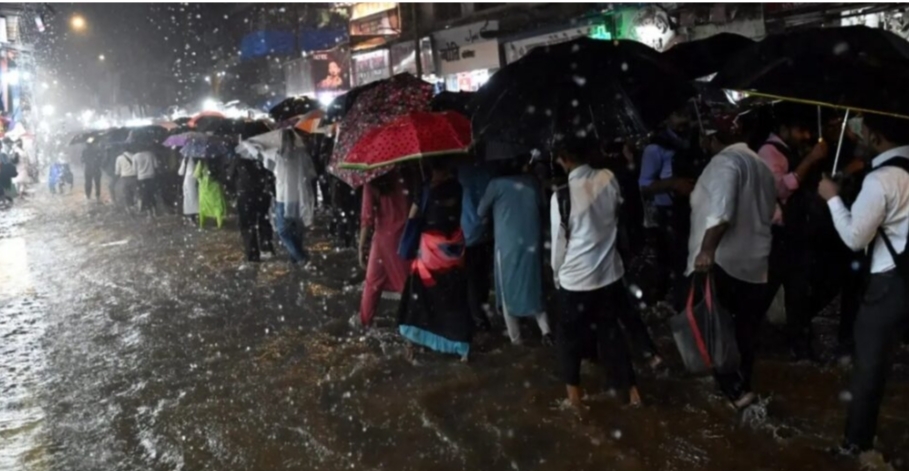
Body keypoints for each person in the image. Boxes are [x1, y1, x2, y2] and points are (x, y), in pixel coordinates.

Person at [818, 114, 909, 455]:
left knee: (869, 370)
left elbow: (856, 237)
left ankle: (855, 447)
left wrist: (832, 198)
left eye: (865, 130)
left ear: (875, 135)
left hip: (890, 286)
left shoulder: (882, 178)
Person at [688, 113, 776, 410]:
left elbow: (722, 211)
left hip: (724, 261)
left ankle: (734, 391)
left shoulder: (725, 163)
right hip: (755, 263)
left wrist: (706, 249)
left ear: (713, 138)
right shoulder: (761, 166)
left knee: (711, 326)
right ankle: (743, 388)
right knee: (745, 332)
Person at [551, 136, 640, 409]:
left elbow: (558, 245)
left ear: (564, 159)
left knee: (568, 339)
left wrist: (556, 275)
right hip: (609, 275)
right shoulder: (608, 178)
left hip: (576, 281)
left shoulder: (561, 196)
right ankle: (633, 394)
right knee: (611, 333)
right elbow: (616, 217)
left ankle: (575, 401)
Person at [757, 103, 834, 361]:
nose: (806, 135)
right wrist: (809, 160)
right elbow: (780, 189)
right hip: (777, 236)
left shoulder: (793, 150)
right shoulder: (769, 152)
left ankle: (799, 346)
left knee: (798, 292)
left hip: (797, 234)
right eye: (800, 130)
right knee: (766, 290)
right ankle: (746, 337)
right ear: (784, 129)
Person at [397, 161, 472, 361]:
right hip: (455, 250)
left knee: (420, 294)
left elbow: (414, 217)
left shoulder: (426, 189)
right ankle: (460, 344)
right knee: (453, 296)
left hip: (430, 252)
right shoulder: (457, 187)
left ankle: (416, 339)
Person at [478, 162, 552, 345]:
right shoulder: (532, 182)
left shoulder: (496, 184)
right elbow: (543, 206)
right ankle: (546, 331)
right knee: (533, 286)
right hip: (532, 242)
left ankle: (516, 339)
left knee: (507, 292)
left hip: (507, 246)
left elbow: (480, 211)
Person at [638, 110, 697, 306]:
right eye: (679, 115)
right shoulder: (655, 148)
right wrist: (673, 183)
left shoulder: (692, 140)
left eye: (686, 114)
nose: (684, 120)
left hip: (694, 207)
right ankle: (679, 304)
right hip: (671, 213)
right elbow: (644, 186)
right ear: (667, 119)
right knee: (678, 261)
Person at [355, 172, 411, 328]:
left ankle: (365, 323)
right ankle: (413, 328)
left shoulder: (372, 179)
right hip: (404, 238)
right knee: (406, 287)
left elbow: (367, 218)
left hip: (381, 241)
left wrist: (361, 247)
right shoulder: (408, 174)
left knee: (372, 285)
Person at [458, 160, 494, 332]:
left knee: (471, 279)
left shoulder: (461, 171)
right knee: (482, 277)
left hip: (467, 233)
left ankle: (478, 318)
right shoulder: (487, 170)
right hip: (486, 231)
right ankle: (482, 312)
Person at [273, 129, 315, 264]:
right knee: (296, 230)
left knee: (283, 231)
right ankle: (295, 259)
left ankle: (300, 257)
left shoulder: (278, 155)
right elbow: (311, 172)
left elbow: (274, 171)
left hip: (282, 198)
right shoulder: (301, 154)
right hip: (297, 197)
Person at [229, 155, 275, 262]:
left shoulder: (239, 158)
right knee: (264, 220)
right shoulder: (263, 156)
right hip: (262, 194)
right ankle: (266, 247)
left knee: (247, 225)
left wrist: (234, 192)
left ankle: (253, 253)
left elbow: (230, 177)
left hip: (245, 195)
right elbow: (271, 174)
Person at [193, 158, 227, 229]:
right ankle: (219, 224)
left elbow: (196, 175)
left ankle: (202, 224)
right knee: (217, 205)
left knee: (203, 206)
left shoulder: (202, 162)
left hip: (204, 186)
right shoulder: (218, 160)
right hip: (215, 186)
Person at [133, 147, 158, 216]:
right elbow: (156, 166)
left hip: (141, 178)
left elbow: (134, 170)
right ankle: (155, 211)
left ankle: (149, 212)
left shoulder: (135, 156)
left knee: (145, 195)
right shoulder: (151, 154)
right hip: (151, 177)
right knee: (152, 194)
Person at [178, 156, 199, 223]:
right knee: (195, 199)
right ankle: (196, 216)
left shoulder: (186, 159)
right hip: (197, 181)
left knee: (189, 200)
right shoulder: (198, 159)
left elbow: (180, 172)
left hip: (188, 182)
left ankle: (192, 217)